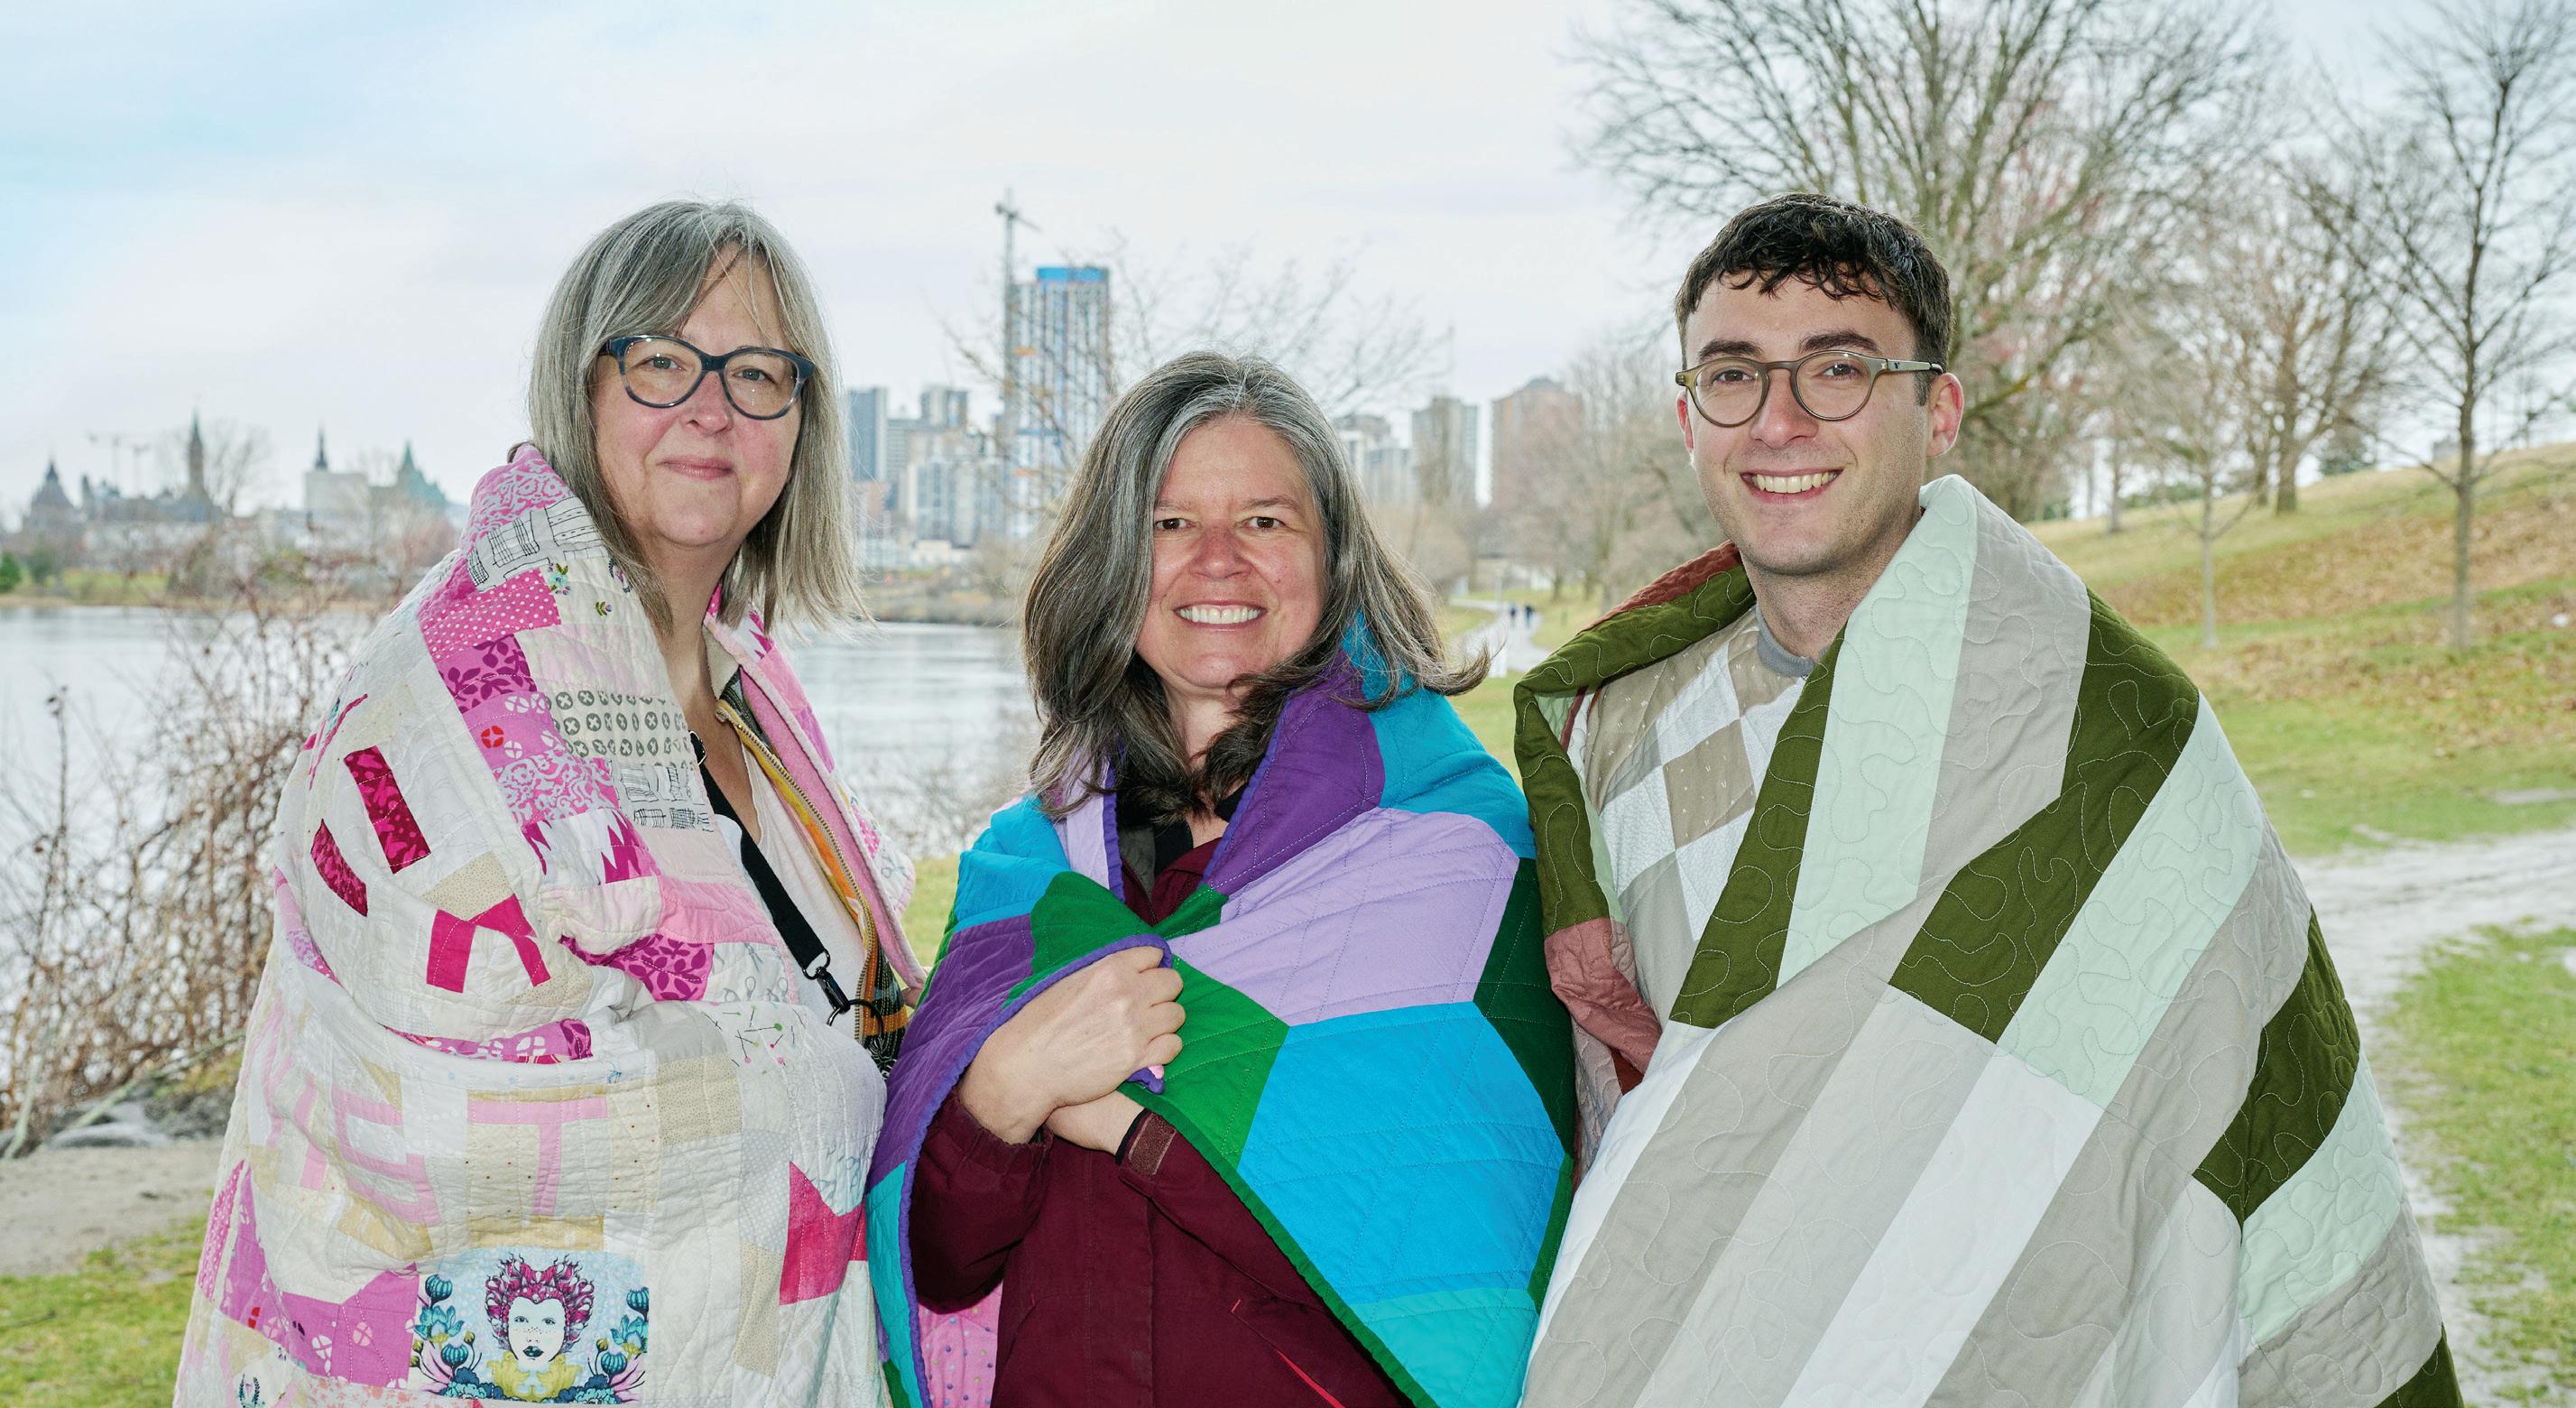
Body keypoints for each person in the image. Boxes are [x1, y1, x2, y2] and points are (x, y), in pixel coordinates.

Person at [1516, 194, 2461, 1406]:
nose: (1778, 421)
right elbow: (1641, 1111)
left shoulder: (2106, 730)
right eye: (1732, 375)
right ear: (1688, 416)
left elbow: (2234, 1083)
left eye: (1838, 369)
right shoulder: (1623, 735)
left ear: (1938, 411)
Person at [174, 200, 923, 1406]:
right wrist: (831, 1101)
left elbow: (826, 1001)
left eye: (757, 373)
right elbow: (414, 1119)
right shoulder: (460, 682)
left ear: (803, 420)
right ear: (580, 384)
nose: (711, 408)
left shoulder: (749, 678)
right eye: (661, 360)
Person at [867, 353, 1577, 1408]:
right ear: (1112, 560)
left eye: (1263, 520)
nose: (1215, 561)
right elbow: (941, 1263)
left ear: (1333, 558)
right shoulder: (1026, 869)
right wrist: (1005, 1089)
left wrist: (1122, 1121)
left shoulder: (1455, 851)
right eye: (1168, 523)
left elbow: (1442, 1274)